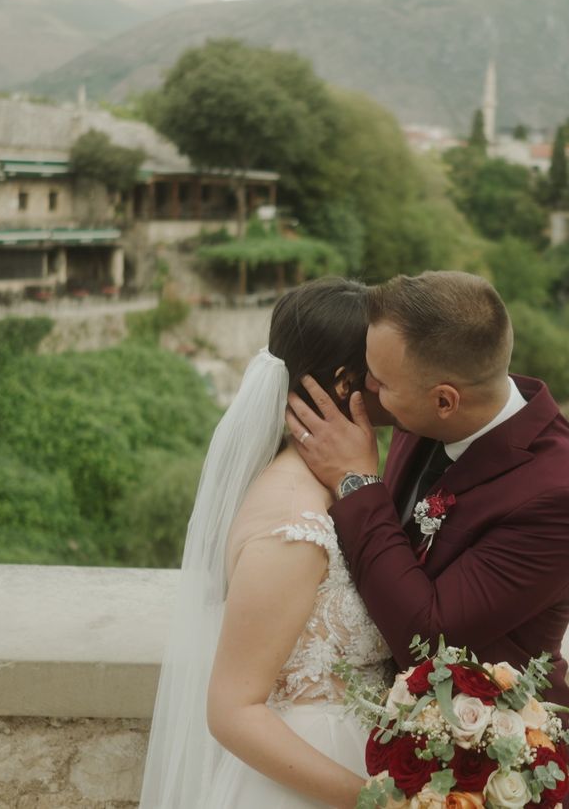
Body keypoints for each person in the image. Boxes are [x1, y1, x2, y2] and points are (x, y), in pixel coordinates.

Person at [286, 270, 569, 809]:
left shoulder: (563, 496)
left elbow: (427, 635)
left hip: (493, 766)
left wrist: (355, 482)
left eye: (380, 382)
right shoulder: (442, 396)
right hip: (400, 740)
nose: (367, 387)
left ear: (444, 402)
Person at [139, 277, 391, 809]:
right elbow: (233, 712)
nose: (394, 381)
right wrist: (375, 800)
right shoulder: (293, 527)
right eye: (382, 370)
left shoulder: (325, 488)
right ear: (346, 382)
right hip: (304, 783)